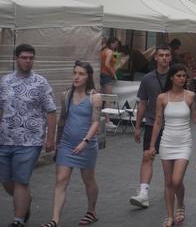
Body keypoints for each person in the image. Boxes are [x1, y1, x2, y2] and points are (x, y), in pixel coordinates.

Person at [39, 62, 101, 227]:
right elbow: (62, 119)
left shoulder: (94, 97)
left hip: (86, 145)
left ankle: (91, 211)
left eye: (81, 74)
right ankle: (55, 220)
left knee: (88, 180)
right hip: (66, 143)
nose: (76, 76)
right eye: (75, 73)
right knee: (61, 180)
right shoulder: (66, 94)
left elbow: (95, 123)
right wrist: (57, 142)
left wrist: (85, 142)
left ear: (88, 77)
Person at [1, 44, 57, 227]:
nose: (28, 61)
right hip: (5, 138)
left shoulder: (40, 83)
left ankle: (18, 220)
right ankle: (25, 201)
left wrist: (50, 138)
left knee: (21, 180)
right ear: (16, 58)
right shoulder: (5, 81)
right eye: (24, 57)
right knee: (6, 180)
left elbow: (50, 111)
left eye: (31, 58)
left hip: (30, 140)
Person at [148, 64, 196, 227]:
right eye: (179, 76)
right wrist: (151, 146)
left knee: (177, 181)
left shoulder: (190, 96)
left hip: (184, 142)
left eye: (184, 76)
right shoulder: (162, 97)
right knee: (168, 182)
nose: (182, 78)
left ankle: (181, 204)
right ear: (172, 77)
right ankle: (169, 216)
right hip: (167, 142)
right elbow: (157, 122)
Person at [129, 44, 172, 209]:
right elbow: (142, 104)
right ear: (155, 57)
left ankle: (169, 188)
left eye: (167, 55)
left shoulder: (176, 76)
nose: (164, 58)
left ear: (171, 58)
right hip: (152, 123)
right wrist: (138, 127)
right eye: (161, 55)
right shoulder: (147, 78)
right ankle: (143, 193)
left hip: (171, 125)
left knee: (169, 161)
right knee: (148, 156)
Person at [99, 36, 119, 130]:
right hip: (107, 76)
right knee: (108, 99)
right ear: (112, 43)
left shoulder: (102, 51)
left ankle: (99, 119)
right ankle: (107, 120)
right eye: (116, 44)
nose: (117, 46)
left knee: (101, 98)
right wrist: (113, 73)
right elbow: (107, 64)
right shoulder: (109, 52)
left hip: (100, 74)